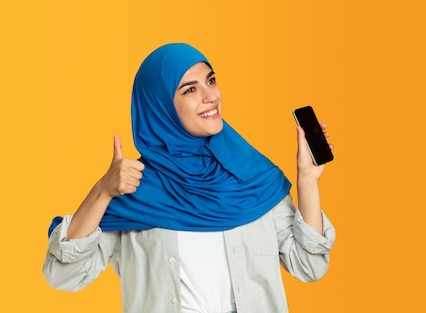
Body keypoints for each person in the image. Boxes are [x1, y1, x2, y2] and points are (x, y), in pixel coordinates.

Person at [43, 43, 336, 313]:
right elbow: (63, 275)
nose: (211, 97)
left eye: (210, 80)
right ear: (160, 107)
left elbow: (309, 266)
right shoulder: (134, 190)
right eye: (189, 90)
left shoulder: (253, 177)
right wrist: (101, 192)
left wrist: (308, 181)